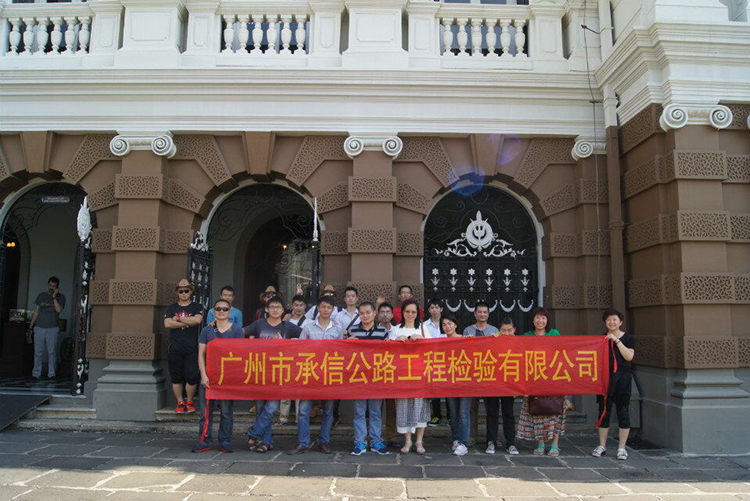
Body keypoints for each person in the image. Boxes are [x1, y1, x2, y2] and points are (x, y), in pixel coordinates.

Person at [245, 296, 301, 452]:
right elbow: (240, 332)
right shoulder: (259, 324)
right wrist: (218, 325)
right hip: (260, 372)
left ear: (283, 310)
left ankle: (253, 433)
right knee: (261, 409)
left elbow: (307, 338)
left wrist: (286, 343)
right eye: (272, 307)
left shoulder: (288, 326)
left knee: (271, 407)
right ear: (266, 309)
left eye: (278, 307)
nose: (275, 310)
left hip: (278, 374)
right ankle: (266, 442)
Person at [289, 296, 343, 455]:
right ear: (318, 308)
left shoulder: (337, 329)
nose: (326, 310)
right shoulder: (308, 327)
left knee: (328, 411)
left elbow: (341, 352)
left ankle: (324, 442)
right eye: (323, 307)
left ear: (332, 311)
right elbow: (300, 350)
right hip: (309, 373)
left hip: (329, 374)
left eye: (329, 308)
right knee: (304, 411)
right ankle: (303, 442)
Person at [192, 298, 244, 453]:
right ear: (213, 312)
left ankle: (225, 441)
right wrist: (203, 375)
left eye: (225, 309)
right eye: (218, 309)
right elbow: (201, 354)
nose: (221, 311)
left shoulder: (237, 330)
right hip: (209, 376)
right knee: (205, 411)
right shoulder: (207, 331)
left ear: (230, 312)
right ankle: (204, 440)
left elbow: (240, 354)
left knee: (226, 412)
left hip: (227, 377)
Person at [517, 307, 565, 456]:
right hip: (534, 380)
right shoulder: (527, 336)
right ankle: (540, 444)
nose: (540, 320)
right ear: (533, 320)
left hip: (553, 379)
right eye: (537, 317)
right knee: (538, 412)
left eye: (543, 318)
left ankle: (555, 445)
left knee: (554, 412)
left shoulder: (555, 334)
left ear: (547, 320)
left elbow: (563, 353)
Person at [390, 299, 432, 455]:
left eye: (413, 312)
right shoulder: (395, 329)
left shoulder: (423, 328)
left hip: (420, 374)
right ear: (402, 312)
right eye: (407, 311)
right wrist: (395, 341)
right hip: (402, 376)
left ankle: (419, 440)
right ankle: (407, 440)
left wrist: (422, 340)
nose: (410, 314)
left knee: (421, 407)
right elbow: (386, 351)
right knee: (404, 407)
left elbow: (433, 347)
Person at [347, 301, 390, 455]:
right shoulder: (352, 330)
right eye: (362, 313)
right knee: (359, 412)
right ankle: (360, 442)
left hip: (376, 377)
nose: (365, 316)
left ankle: (376, 441)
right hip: (358, 377)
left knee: (375, 411)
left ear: (374, 314)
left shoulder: (383, 332)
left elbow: (388, 354)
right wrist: (347, 343)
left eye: (368, 313)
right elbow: (344, 353)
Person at [593, 308, 635, 461]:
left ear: (620, 322)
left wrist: (616, 341)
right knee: (604, 412)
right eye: (608, 320)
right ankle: (602, 445)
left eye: (614, 320)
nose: (611, 322)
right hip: (605, 380)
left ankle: (621, 448)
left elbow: (629, 356)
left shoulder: (628, 338)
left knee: (623, 412)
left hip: (623, 379)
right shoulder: (601, 338)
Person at [164, 279, 204, 414]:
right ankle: (180, 402)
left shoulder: (197, 306)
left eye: (186, 291)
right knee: (176, 377)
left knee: (192, 377)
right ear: (177, 292)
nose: (184, 293)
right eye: (181, 291)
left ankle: (190, 401)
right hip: (175, 347)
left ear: (191, 291)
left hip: (191, 347)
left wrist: (178, 319)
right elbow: (167, 324)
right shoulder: (171, 308)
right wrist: (188, 321)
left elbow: (197, 320)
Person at [464, 301, 499, 446]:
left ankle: (491, 438)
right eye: (479, 312)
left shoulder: (494, 330)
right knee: (472, 408)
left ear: (488, 314)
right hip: (472, 374)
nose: (482, 314)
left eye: (485, 312)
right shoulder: (467, 331)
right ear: (475, 314)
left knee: (490, 408)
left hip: (489, 374)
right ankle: (471, 436)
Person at [485, 317, 519, 455]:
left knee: (508, 413)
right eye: (503, 330)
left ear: (514, 330)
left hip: (509, 382)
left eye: (509, 330)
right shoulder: (492, 339)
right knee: (492, 413)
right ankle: (491, 442)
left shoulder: (519, 342)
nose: (506, 333)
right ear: (499, 330)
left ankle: (511, 444)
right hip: (493, 381)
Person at [441, 313, 471, 456]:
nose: (447, 327)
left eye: (450, 324)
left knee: (463, 413)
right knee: (453, 414)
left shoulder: (465, 339)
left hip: (465, 382)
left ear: (455, 325)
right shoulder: (441, 342)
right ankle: (456, 439)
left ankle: (463, 443)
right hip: (449, 382)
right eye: (444, 325)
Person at [277, 294, 308, 427]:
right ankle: (283, 417)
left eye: (301, 305)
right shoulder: (285, 321)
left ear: (305, 307)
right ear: (292, 306)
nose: (299, 308)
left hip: (303, 358)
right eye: (296, 305)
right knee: (286, 388)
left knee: (300, 390)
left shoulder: (310, 322)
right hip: (286, 358)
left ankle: (299, 418)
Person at [29, 276, 66, 381]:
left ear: (57, 287)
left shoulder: (61, 297)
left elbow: (58, 310)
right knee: (38, 352)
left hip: (52, 328)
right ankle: (36, 373)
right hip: (39, 327)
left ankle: (52, 374)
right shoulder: (41, 295)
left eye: (54, 286)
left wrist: (54, 297)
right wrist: (31, 325)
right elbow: (36, 311)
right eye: (50, 285)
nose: (51, 287)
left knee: (52, 352)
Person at [378, 301, 400, 449]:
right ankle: (376, 437)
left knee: (392, 409)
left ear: (392, 315)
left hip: (393, 374)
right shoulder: (373, 330)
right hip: (376, 374)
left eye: (388, 312)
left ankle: (392, 437)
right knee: (376, 409)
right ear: (377, 315)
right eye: (382, 312)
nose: (385, 315)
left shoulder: (398, 331)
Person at [424, 299, 447, 427]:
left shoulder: (446, 324)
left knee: (448, 388)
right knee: (434, 389)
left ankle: (450, 417)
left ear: (441, 309)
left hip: (446, 360)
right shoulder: (424, 325)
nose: (435, 310)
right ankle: (436, 415)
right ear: (429, 310)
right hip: (430, 360)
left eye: (437, 307)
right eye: (432, 307)